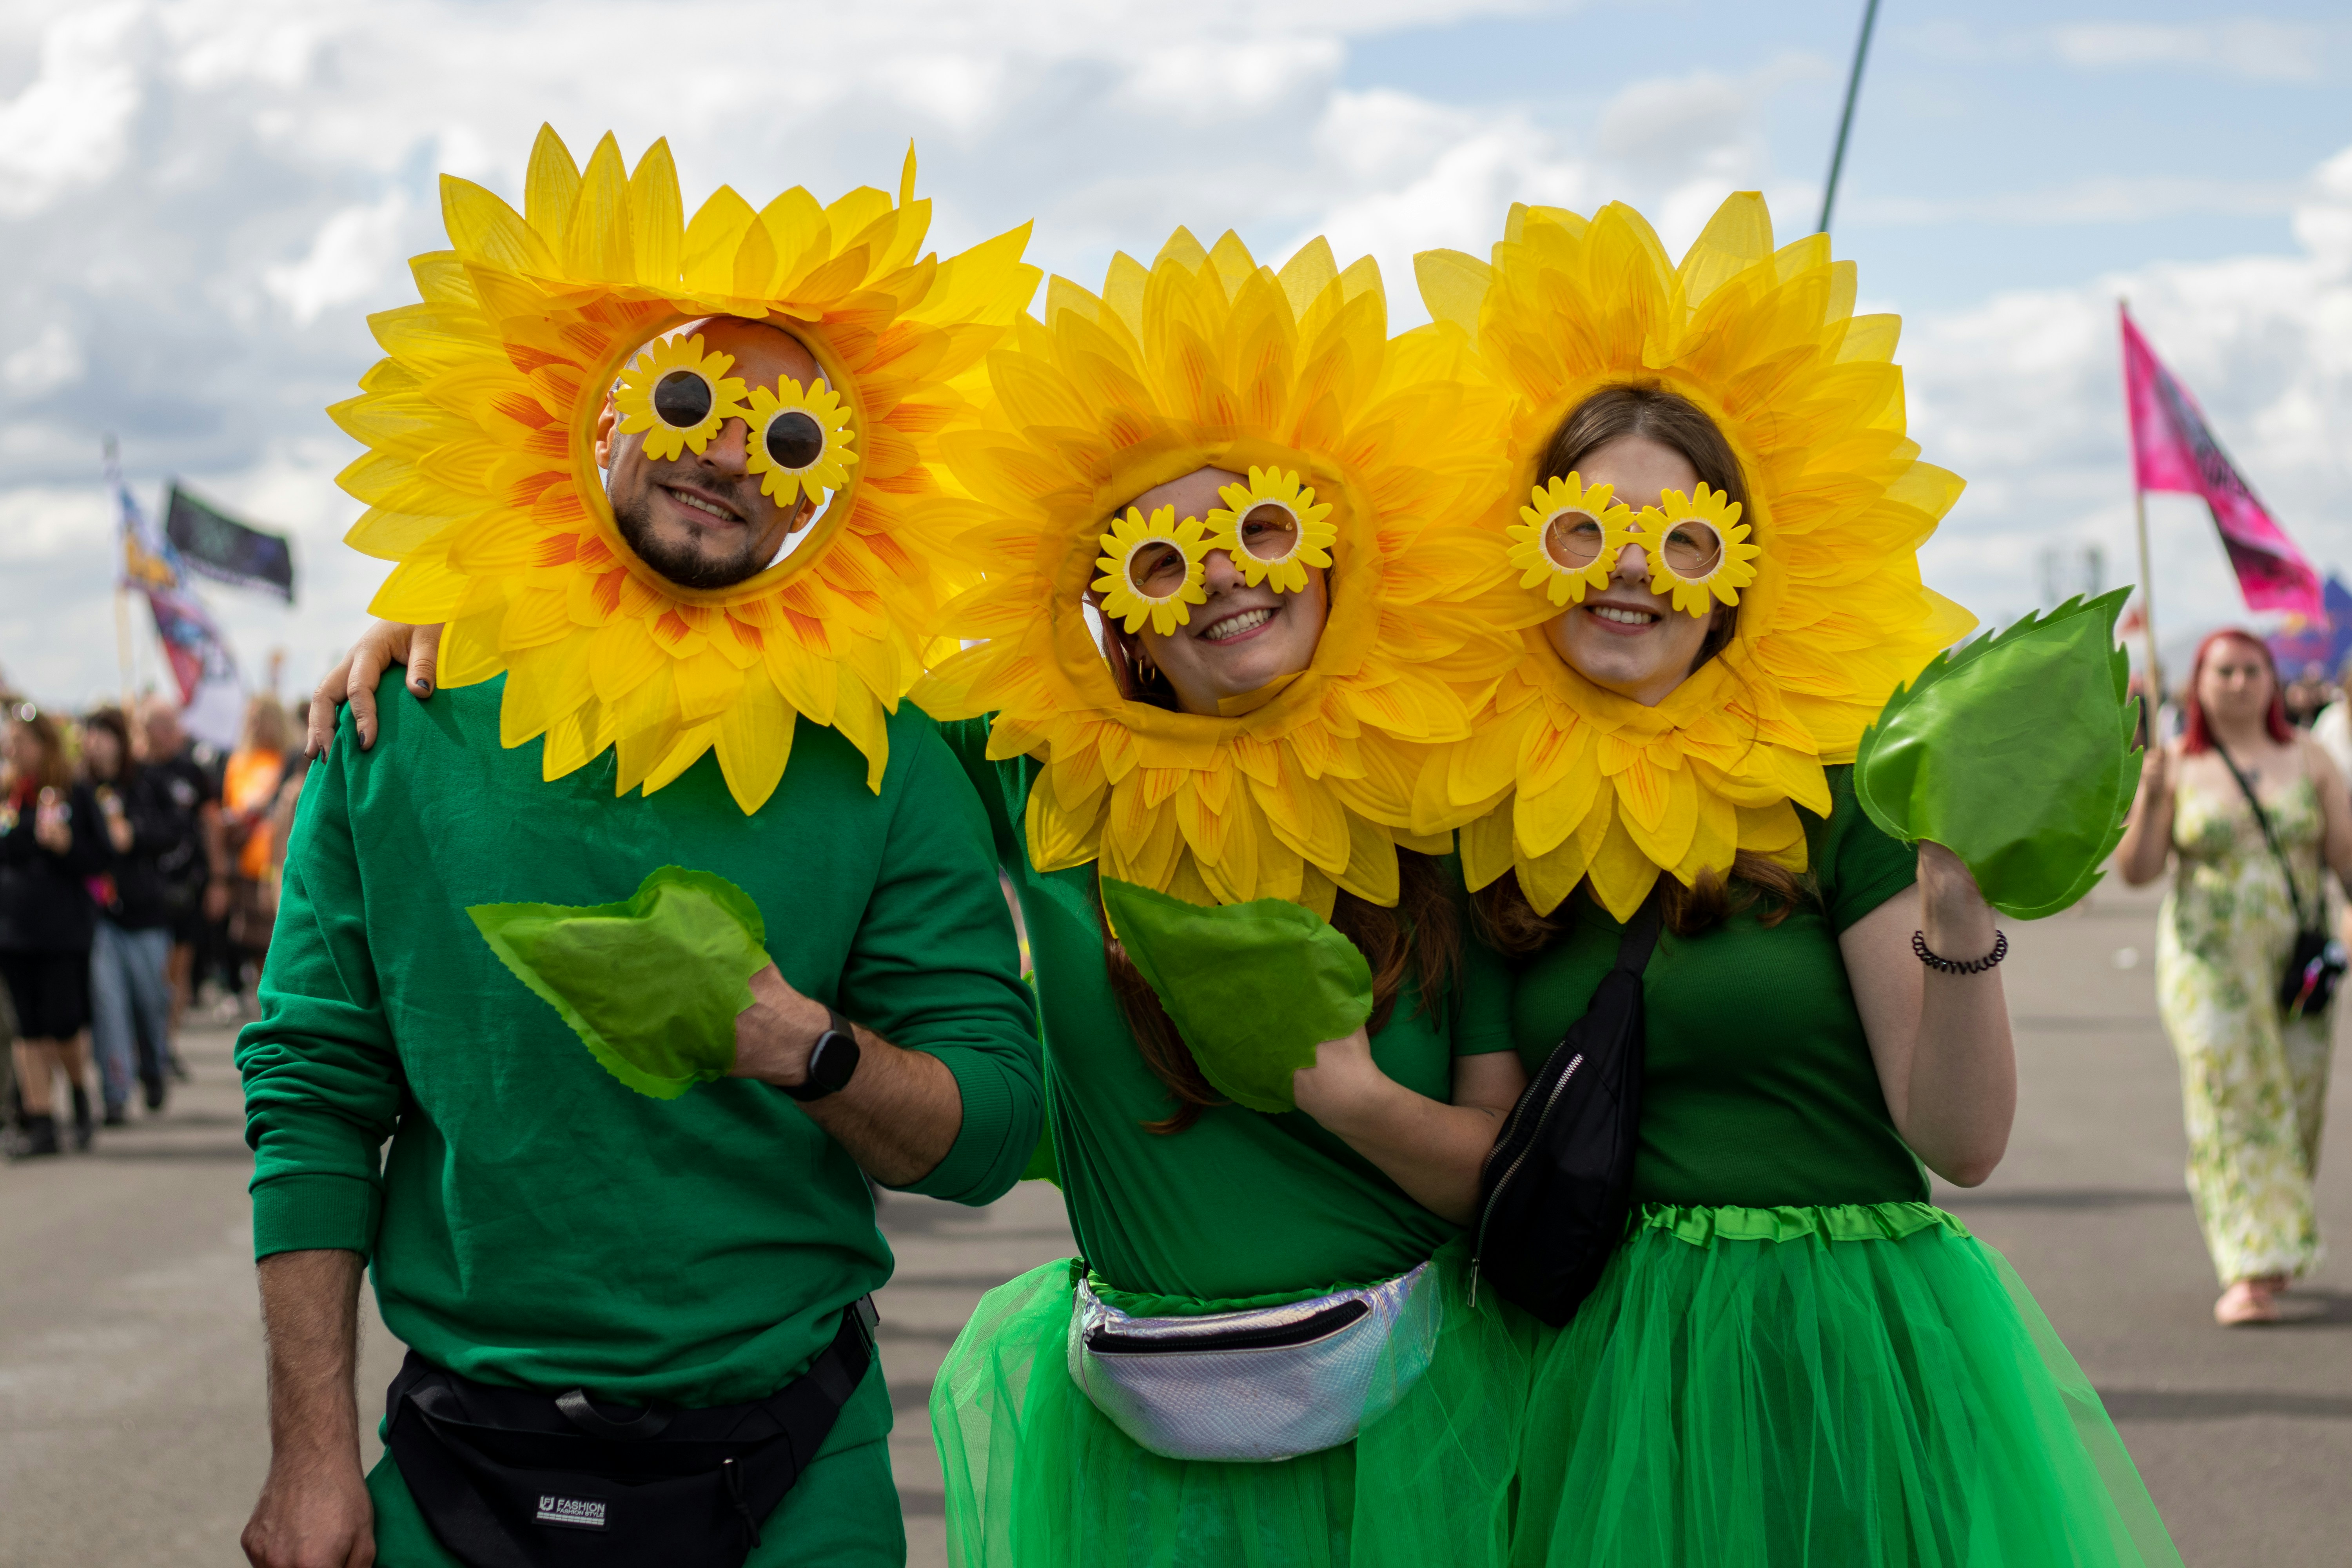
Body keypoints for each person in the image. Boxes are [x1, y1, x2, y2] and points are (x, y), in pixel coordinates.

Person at [239, 129, 1045, 1568]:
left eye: (793, 436)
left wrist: (811, 1048)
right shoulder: (400, 713)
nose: (731, 453)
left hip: (790, 1463)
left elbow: (988, 1129)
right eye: (692, 398)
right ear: (600, 406)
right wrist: (308, 1455)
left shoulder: (883, 753)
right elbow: (312, 1091)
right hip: (458, 1457)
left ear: (831, 489)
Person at [1414, 195, 2183, 1564]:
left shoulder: (1839, 786)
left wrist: (1955, 913)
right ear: (1525, 548)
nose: (1632, 574)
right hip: (1599, 1367)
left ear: (1741, 571)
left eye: (1684, 539)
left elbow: (1964, 1143)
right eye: (1587, 532)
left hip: (1839, 1350)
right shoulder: (1484, 810)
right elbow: (1481, 1150)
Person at [914, 230, 1536, 1567]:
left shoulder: (1444, 787)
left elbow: (1507, 1174)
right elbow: (792, 668)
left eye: (1259, 527)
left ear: (1330, 548)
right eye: (1159, 560)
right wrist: (457, 609)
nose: (1223, 577)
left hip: (1416, 1441)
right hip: (1142, 1453)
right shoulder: (1040, 776)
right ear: (1119, 621)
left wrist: (1348, 1097)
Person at [2117, 630, 2350, 1325]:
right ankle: (2248, 1260)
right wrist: (2151, 799)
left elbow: (2345, 854)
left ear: (2273, 683)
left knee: (2296, 1097)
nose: (2241, 682)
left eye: (2254, 670)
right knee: (2232, 1097)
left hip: (2295, 964)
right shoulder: (2176, 766)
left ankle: (2273, 1237)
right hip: (2207, 961)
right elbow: (2138, 872)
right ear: (2200, 682)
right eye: (2226, 671)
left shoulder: (2309, 759)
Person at [1, 702, 107, 1158]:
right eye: (10, 744)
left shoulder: (73, 792)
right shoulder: (8, 796)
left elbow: (102, 857)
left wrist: (67, 848)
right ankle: (41, 1120)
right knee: (27, 1027)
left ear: (43, 745)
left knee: (63, 1023)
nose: (13, 750)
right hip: (13, 927)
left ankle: (80, 1095)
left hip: (63, 927)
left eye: (21, 743)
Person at [79, 706, 180, 1120]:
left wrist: (134, 833)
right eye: (91, 734)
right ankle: (115, 1092)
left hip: (145, 914)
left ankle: (153, 1065)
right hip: (101, 915)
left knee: (149, 1001)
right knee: (108, 1005)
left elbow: (175, 830)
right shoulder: (82, 787)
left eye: (104, 734)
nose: (95, 742)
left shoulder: (147, 782)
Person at [138, 694, 229, 1066]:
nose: (179, 732)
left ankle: (165, 1044)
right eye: (169, 725)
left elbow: (211, 823)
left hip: (187, 885)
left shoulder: (191, 771)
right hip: (144, 891)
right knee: (151, 973)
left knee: (180, 967)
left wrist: (219, 879)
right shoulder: (135, 772)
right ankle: (148, 1042)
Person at [220, 695, 291, 1004]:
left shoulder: (287, 759)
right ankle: (266, 1003)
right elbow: (228, 809)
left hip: (279, 864)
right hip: (248, 865)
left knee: (280, 939)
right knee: (252, 941)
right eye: (253, 718)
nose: (256, 725)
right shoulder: (239, 762)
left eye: (262, 718)